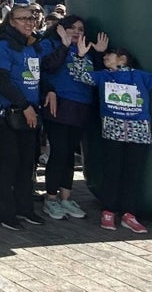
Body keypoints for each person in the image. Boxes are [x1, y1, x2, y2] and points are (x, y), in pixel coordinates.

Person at [70, 34, 152, 233]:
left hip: (139, 133)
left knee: (133, 174)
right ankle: (108, 211)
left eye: (110, 55)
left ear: (123, 59)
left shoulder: (140, 76)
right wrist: (80, 56)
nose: (105, 58)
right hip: (112, 132)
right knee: (111, 173)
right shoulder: (102, 76)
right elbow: (80, 76)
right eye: (105, 57)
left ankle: (129, 214)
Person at [0, 4, 70, 230]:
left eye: (31, 18)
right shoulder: (1, 44)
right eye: (22, 19)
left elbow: (40, 72)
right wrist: (23, 105)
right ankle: (3, 213)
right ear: (11, 21)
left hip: (30, 113)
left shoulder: (32, 45)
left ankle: (25, 208)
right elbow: (0, 80)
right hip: (7, 113)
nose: (28, 22)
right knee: (9, 162)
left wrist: (49, 89)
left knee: (27, 163)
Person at [39, 14, 94, 220]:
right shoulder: (49, 43)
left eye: (80, 28)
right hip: (59, 104)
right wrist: (62, 46)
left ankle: (66, 197)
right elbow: (46, 68)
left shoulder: (84, 48)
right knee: (59, 152)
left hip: (81, 105)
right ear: (62, 28)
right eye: (72, 27)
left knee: (70, 154)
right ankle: (50, 198)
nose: (76, 32)